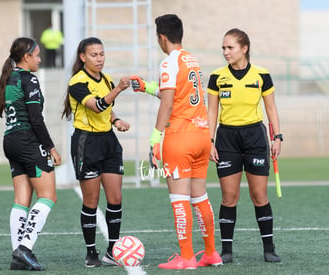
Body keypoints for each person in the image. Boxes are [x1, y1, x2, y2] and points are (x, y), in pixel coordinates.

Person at [130, 14, 222, 270]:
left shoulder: (168, 62)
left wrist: (155, 137)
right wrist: (148, 87)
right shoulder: (192, 60)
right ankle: (212, 253)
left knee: (178, 199)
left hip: (179, 137)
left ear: (161, 37)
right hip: (201, 136)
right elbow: (178, 94)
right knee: (200, 197)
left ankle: (186, 257)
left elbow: (169, 103)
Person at [207, 28, 282, 263]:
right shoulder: (217, 76)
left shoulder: (262, 75)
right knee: (229, 197)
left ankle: (268, 248)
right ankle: (226, 251)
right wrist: (209, 141)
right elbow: (211, 111)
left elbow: (271, 108)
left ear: (244, 48)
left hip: (255, 138)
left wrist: (277, 136)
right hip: (227, 138)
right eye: (223, 48)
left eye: (230, 48)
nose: (225, 52)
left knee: (259, 195)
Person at [61, 37, 131, 267]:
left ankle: (112, 251)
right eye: (94, 55)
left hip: (109, 142)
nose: (99, 59)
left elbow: (107, 111)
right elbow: (98, 105)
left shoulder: (107, 80)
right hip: (86, 143)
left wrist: (117, 119)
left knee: (116, 198)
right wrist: (119, 89)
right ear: (83, 57)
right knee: (91, 200)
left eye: (101, 54)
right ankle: (91, 253)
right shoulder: (77, 82)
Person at [0, 37, 62, 271]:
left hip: (10, 140)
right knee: (48, 196)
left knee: (21, 200)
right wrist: (51, 147)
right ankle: (24, 248)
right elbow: (35, 118)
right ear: (27, 57)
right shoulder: (29, 78)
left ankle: (18, 254)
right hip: (27, 140)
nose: (40, 59)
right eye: (37, 55)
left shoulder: (9, 76)